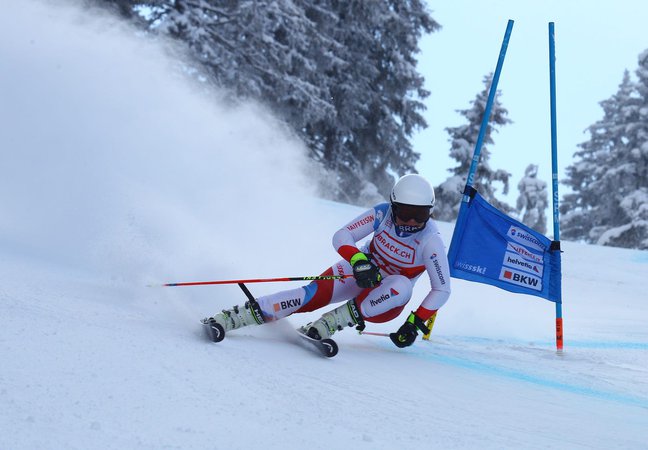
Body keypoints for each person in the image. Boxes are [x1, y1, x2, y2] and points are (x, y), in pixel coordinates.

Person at [205, 173, 451, 348]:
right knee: (311, 295)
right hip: (363, 272)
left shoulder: (431, 241)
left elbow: (442, 289)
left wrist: (414, 322)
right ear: (394, 206)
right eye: (406, 213)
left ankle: (330, 323)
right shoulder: (382, 213)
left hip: (386, 302)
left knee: (401, 284)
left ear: (430, 212)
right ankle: (235, 316)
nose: (411, 223)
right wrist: (358, 260)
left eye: (419, 215)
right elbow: (342, 235)